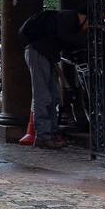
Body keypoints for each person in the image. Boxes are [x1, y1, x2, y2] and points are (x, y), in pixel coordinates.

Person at [21, 8, 88, 149]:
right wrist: (85, 40)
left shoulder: (65, 18)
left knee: (53, 94)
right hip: (39, 54)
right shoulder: (69, 17)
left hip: (46, 55)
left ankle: (51, 132)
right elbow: (64, 36)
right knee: (43, 95)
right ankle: (43, 136)